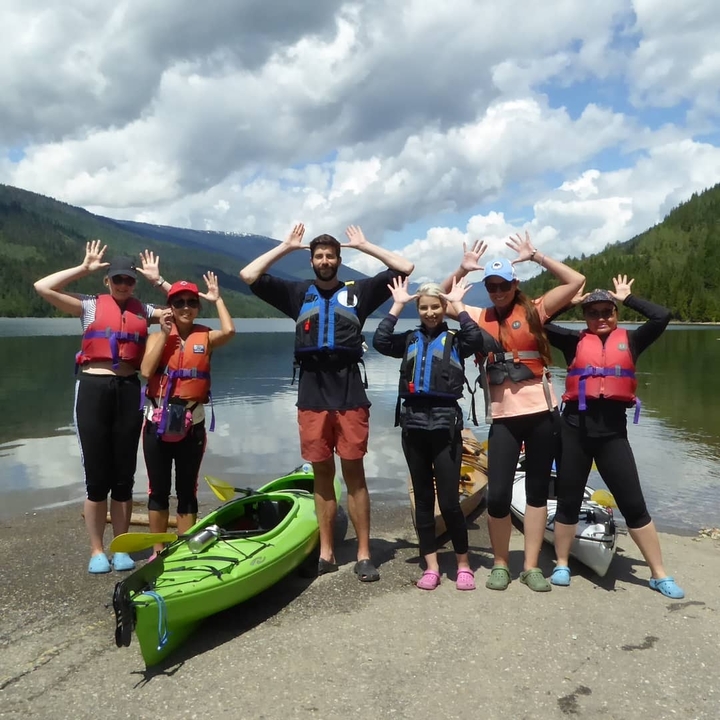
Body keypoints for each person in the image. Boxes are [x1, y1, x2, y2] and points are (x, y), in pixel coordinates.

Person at [239, 223, 414, 582]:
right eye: (318, 256)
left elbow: (404, 267)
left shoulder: (360, 292)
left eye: (330, 255)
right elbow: (249, 274)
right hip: (312, 393)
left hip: (349, 392)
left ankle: (364, 553)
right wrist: (286, 246)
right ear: (312, 261)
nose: (324, 261)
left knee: (355, 475)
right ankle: (327, 553)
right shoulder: (297, 294)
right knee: (322, 476)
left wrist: (364, 246)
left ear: (338, 259)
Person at [442, 232, 585, 592]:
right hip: (503, 418)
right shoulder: (477, 315)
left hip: (542, 414)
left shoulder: (535, 310)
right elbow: (437, 299)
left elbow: (576, 281)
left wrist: (536, 255)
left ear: (513, 283)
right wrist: (460, 270)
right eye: (491, 285)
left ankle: (532, 566)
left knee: (537, 492)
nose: (497, 291)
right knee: (498, 495)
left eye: (503, 284)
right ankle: (502, 564)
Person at [33, 241, 171, 573]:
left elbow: (183, 306)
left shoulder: (145, 310)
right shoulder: (90, 306)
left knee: (124, 476)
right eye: (117, 279)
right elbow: (43, 287)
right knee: (97, 477)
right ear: (107, 281)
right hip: (93, 388)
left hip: (127, 389)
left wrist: (158, 280)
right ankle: (97, 550)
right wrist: (83, 267)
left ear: (134, 283)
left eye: (129, 280)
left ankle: (120, 547)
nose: (123, 285)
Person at [543, 276, 684, 598]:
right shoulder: (572, 341)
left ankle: (659, 574)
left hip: (612, 435)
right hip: (574, 429)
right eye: (593, 312)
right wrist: (570, 302)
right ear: (586, 316)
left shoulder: (632, 342)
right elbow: (540, 320)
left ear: (616, 313)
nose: (601, 317)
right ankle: (562, 563)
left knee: (634, 504)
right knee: (568, 502)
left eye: (608, 311)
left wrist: (628, 296)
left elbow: (661, 316)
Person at [373, 276, 488, 590]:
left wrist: (460, 307)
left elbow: (476, 339)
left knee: (449, 502)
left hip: (444, 426)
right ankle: (431, 566)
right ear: (418, 310)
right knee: (424, 501)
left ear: (443, 307)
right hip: (413, 427)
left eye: (435, 306)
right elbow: (380, 342)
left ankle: (463, 564)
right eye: (423, 307)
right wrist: (397, 305)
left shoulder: (455, 340)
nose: (430, 312)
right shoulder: (409, 339)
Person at [141, 274, 236, 557]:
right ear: (170, 306)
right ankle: (158, 549)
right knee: (157, 490)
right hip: (156, 423)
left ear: (197, 306)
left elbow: (230, 331)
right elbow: (146, 372)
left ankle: (183, 551)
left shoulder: (205, 336)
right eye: (179, 302)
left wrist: (217, 299)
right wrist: (165, 332)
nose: (186, 307)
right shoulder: (156, 337)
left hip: (192, 424)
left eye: (191, 303)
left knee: (187, 490)